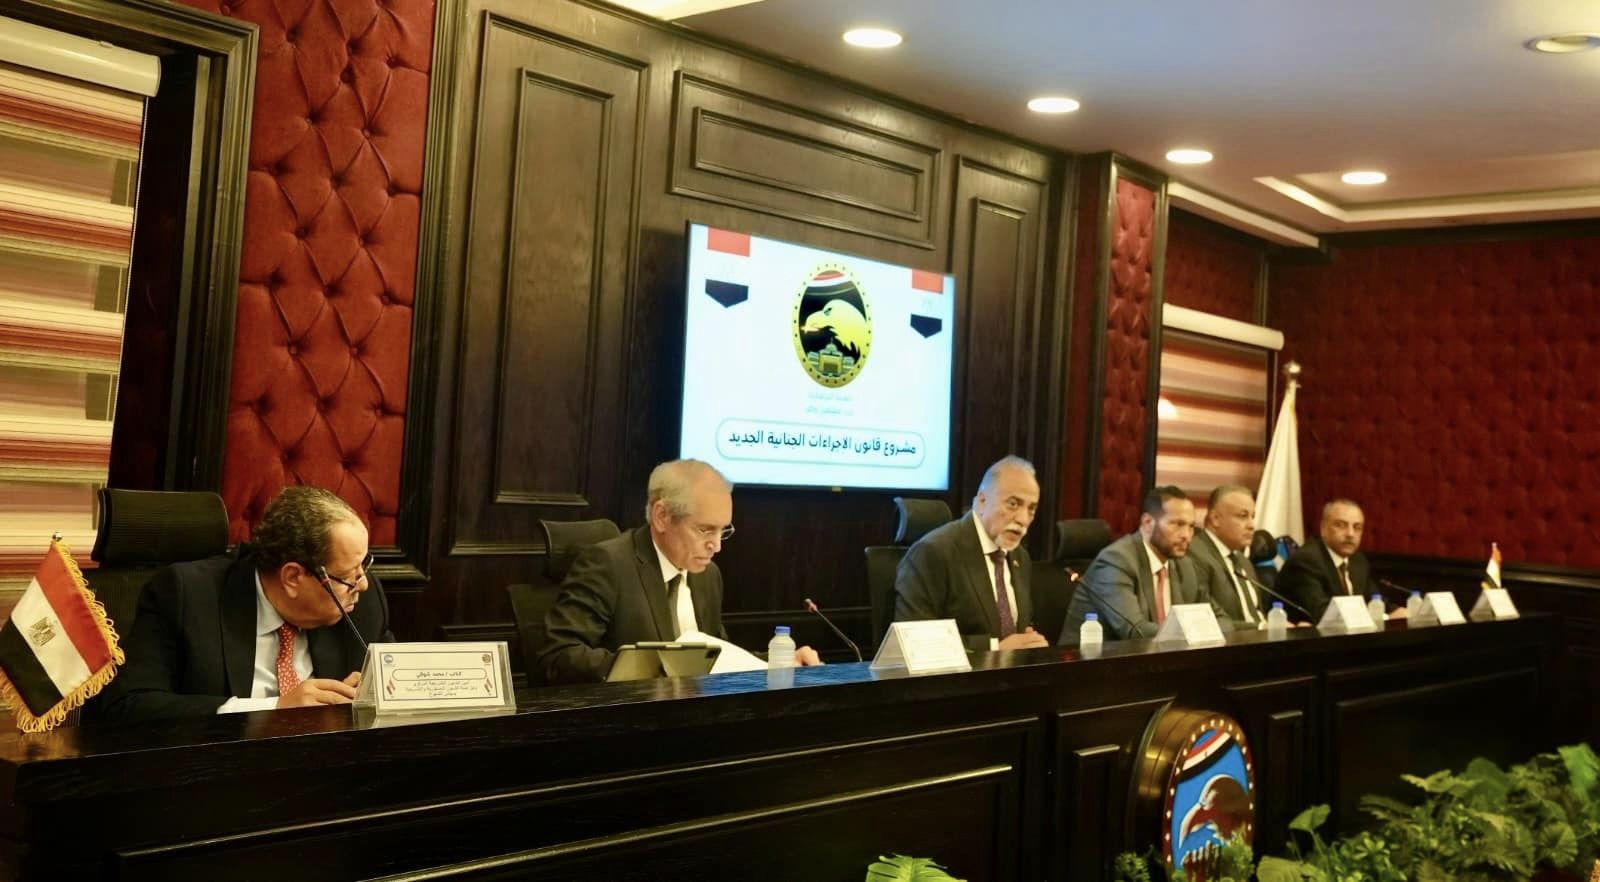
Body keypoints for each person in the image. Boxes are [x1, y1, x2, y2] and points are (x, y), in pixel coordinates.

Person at [99, 486, 391, 722]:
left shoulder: (363, 603)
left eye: (363, 566)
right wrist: (274, 709)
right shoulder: (186, 595)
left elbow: (399, 683)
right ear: (292, 577)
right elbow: (130, 705)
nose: (362, 584)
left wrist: (378, 693)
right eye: (348, 577)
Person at [537, 459, 820, 684]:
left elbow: (718, 658)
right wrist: (652, 667)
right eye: (705, 530)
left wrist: (778, 663)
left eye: (724, 530)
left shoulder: (708, 576)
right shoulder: (608, 565)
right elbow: (558, 656)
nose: (717, 546)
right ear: (662, 516)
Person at [893, 455, 1051, 652]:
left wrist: (1028, 641)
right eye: (1013, 504)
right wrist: (994, 648)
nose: (1023, 519)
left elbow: (1019, 630)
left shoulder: (1020, 557)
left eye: (1031, 509)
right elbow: (914, 640)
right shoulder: (933, 552)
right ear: (982, 501)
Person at [1060, 486, 1230, 643]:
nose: (1186, 535)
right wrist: (1197, 631)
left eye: (1191, 526)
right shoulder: (1116, 560)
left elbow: (1222, 620)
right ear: (1148, 523)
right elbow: (1135, 631)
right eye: (1178, 524)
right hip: (1095, 661)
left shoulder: (1184, 566)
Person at [1276, 498, 1394, 624]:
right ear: (1323, 528)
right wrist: (1384, 617)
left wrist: (1395, 611)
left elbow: (1374, 600)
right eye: (1341, 525)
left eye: (1357, 527)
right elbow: (1324, 614)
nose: (1350, 534)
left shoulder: (1358, 561)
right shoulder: (1306, 561)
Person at [1189, 485, 1268, 629]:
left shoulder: (1243, 561)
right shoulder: (1194, 554)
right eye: (1243, 516)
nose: (1252, 525)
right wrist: (1261, 628)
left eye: (1253, 516)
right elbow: (1205, 620)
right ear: (1215, 518)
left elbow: (1257, 613)